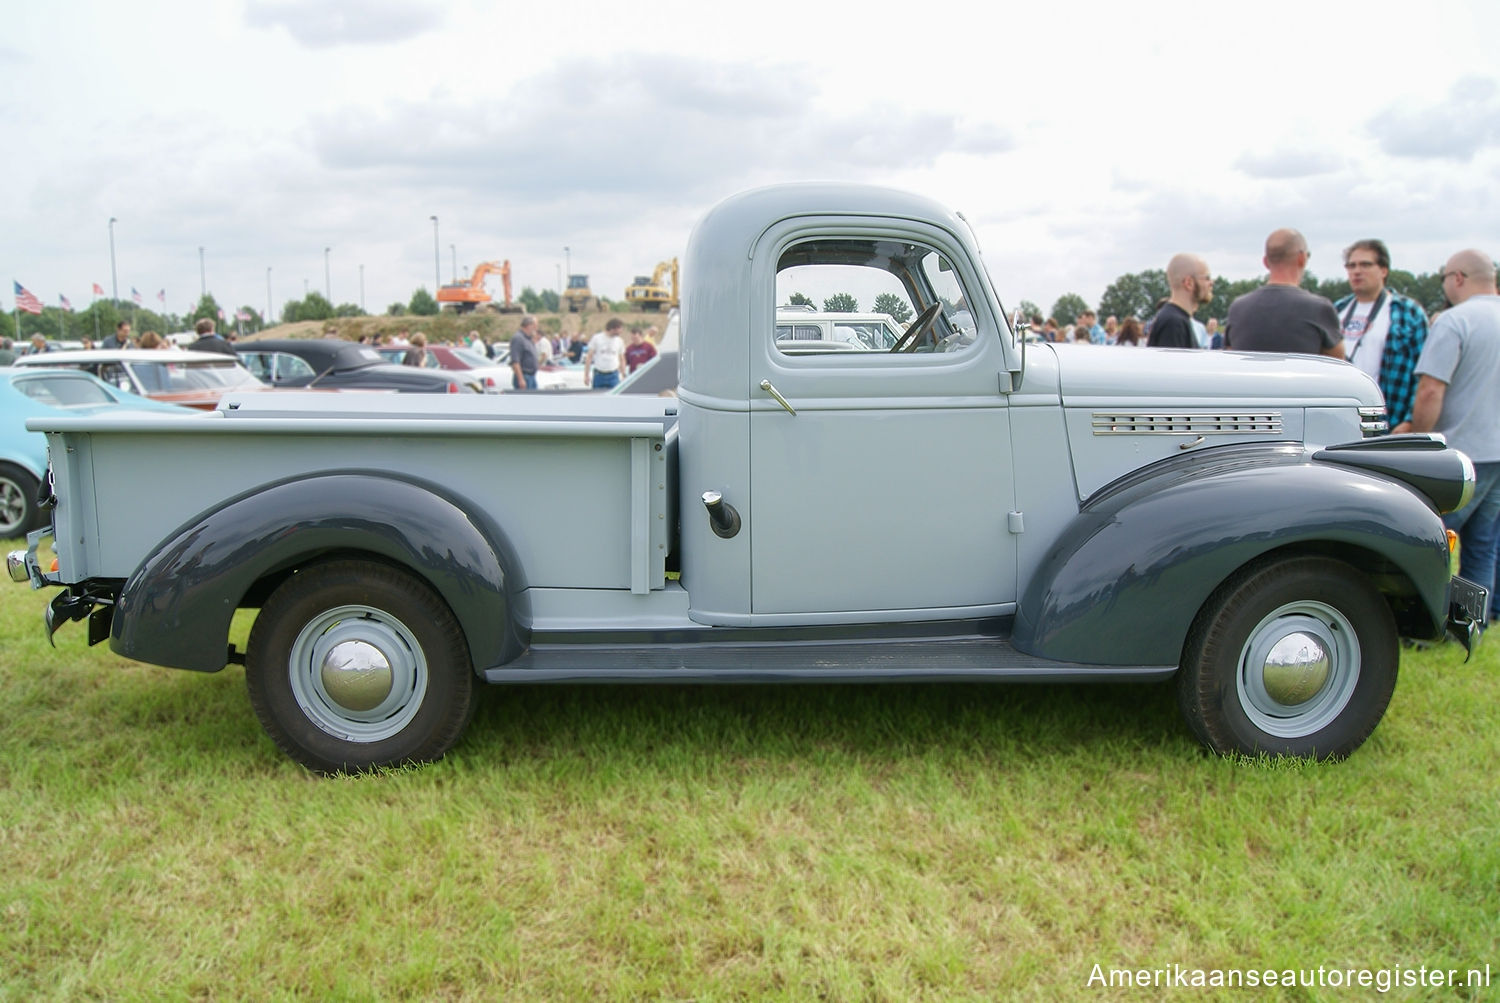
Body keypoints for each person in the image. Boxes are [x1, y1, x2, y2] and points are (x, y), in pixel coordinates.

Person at [1408, 249, 1500, 612]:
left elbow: (1431, 389)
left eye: (1445, 278)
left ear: (1458, 278)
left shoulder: (1454, 321)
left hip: (1460, 455)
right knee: (1484, 542)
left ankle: (1423, 617)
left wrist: (1416, 437)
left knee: (1431, 540)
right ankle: (1477, 618)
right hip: (1497, 449)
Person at [1332, 239, 1428, 431]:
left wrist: (1410, 422)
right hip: (1340, 420)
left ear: (1384, 270)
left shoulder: (1408, 313)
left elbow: (1422, 374)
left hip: (1388, 420)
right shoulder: (1337, 310)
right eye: (1351, 265)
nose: (1356, 271)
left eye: (1365, 264)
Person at [1223, 230, 1342, 357]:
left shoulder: (1238, 308)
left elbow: (1230, 356)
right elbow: (1338, 364)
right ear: (1302, 258)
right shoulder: (1319, 308)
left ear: (1265, 262)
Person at [1147, 254, 1213, 348]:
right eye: (1207, 278)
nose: (1211, 283)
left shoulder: (1176, 319)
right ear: (1189, 283)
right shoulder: (1174, 323)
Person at [584, 317, 626, 389]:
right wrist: (586, 375)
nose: (621, 331)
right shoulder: (597, 338)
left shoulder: (619, 341)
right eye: (620, 329)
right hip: (599, 374)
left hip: (613, 374)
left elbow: (622, 359)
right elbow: (589, 357)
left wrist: (623, 374)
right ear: (614, 328)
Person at [509, 315, 540, 389]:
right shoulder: (518, 339)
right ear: (529, 325)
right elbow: (515, 361)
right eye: (535, 326)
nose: (536, 328)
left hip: (531, 377)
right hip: (524, 376)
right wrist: (521, 379)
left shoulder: (528, 339)